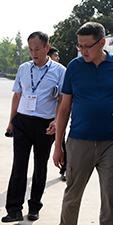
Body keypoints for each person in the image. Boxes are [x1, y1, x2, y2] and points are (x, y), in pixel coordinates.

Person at [53, 21, 113, 225]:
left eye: (88, 46)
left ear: (102, 43)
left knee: (110, 198)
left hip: (112, 142)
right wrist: (58, 144)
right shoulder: (74, 68)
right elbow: (64, 108)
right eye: (80, 45)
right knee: (73, 192)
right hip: (79, 141)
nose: (83, 50)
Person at [2, 31, 66, 222]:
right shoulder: (23, 68)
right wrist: (11, 121)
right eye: (30, 49)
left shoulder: (59, 71)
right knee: (19, 166)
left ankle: (34, 206)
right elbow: (17, 95)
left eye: (37, 49)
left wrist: (56, 121)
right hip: (22, 122)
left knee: (40, 166)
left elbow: (63, 100)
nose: (33, 53)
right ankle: (14, 209)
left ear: (47, 48)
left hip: (45, 125)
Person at [47, 46, 67, 180]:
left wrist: (58, 119)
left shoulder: (61, 71)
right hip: (46, 118)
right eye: (55, 55)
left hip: (58, 117)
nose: (57, 58)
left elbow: (63, 99)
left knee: (61, 144)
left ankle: (64, 168)